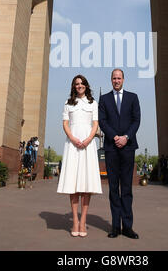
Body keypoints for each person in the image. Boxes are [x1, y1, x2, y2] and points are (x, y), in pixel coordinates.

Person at [57, 75, 102, 237]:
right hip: (72, 145)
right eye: (77, 84)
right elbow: (65, 123)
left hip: (88, 145)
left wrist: (89, 139)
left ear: (86, 85)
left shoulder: (93, 103)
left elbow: (95, 123)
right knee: (74, 183)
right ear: (73, 86)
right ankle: (75, 221)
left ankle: (83, 221)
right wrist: (73, 138)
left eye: (82, 83)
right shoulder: (68, 103)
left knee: (86, 183)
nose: (79, 86)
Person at [99, 68, 141, 239]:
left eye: (119, 78)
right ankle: (115, 226)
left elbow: (136, 120)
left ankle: (128, 227)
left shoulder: (133, 97)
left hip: (128, 147)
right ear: (111, 80)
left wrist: (126, 137)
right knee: (113, 189)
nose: (116, 81)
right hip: (111, 147)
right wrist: (115, 136)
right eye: (114, 78)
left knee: (127, 188)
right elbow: (102, 121)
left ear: (123, 79)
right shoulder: (104, 99)